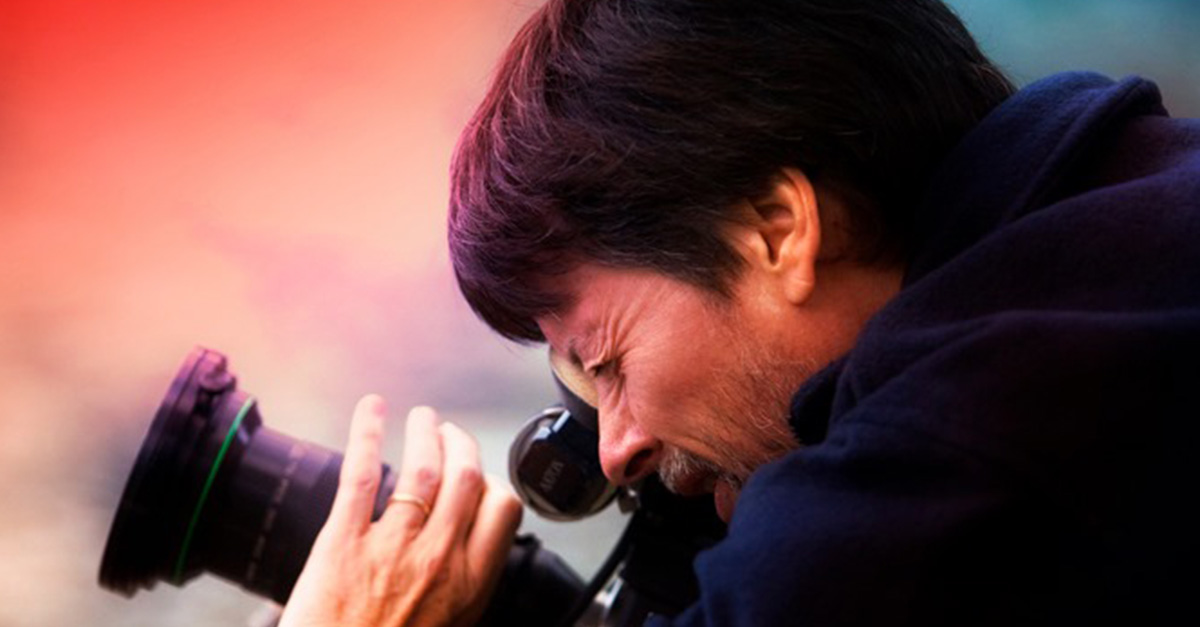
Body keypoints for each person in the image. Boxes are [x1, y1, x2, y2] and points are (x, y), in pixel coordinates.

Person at [279, 0, 1200, 625]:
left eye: (606, 362)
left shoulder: (929, 471)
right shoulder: (1139, 201)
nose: (615, 449)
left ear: (777, 229)